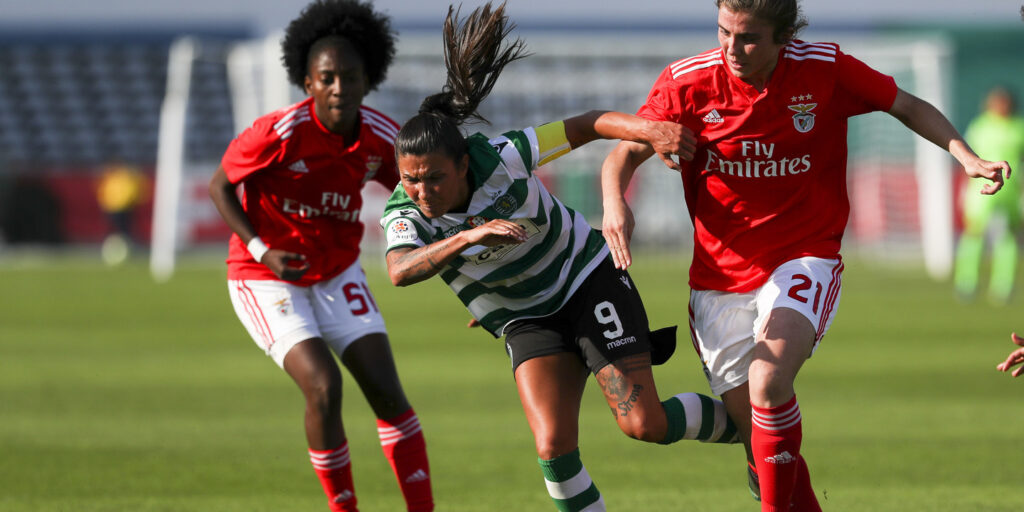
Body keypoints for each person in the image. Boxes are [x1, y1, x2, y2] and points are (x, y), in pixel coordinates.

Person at [600, 1, 1011, 510]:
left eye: (749, 38)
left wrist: (965, 156)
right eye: (725, 32)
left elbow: (905, 104)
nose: (733, 48)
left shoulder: (824, 69)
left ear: (784, 37)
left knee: (768, 379)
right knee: (760, 434)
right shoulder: (688, 82)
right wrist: (614, 202)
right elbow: (624, 150)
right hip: (719, 278)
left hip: (804, 256)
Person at [380, 3, 738, 510]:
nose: (421, 190)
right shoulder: (405, 212)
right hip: (526, 320)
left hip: (587, 282)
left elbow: (589, 124)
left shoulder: (504, 156)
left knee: (645, 424)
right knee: (552, 447)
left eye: (433, 177)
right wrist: (466, 240)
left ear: (463, 164)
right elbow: (398, 270)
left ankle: (753, 438)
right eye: (410, 178)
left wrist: (649, 130)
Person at [208, 1, 433, 511]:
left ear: (366, 80)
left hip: (335, 272)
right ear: (307, 83)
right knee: (325, 387)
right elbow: (221, 185)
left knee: (388, 393)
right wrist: (263, 251)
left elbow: (417, 193)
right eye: (326, 77)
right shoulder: (280, 133)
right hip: (265, 275)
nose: (338, 87)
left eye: (349, 77)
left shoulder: (380, 136)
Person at [953, 86, 1024, 304]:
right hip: (980, 191)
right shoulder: (980, 126)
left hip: (1010, 192)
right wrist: (963, 190)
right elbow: (966, 158)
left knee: (1009, 237)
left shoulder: (1019, 128)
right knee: (974, 234)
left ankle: (1003, 286)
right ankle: (966, 283)